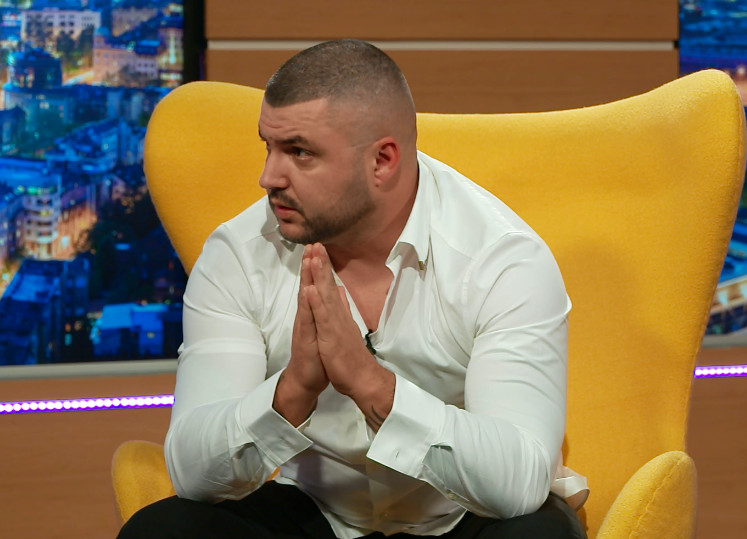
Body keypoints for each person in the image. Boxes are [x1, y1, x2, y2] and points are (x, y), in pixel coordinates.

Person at [119, 39, 588, 538]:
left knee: (540, 535)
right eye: (268, 147)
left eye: (299, 152)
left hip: (458, 515)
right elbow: (192, 471)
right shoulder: (238, 253)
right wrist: (293, 390)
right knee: (162, 531)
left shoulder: (501, 258)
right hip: (313, 510)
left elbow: (520, 480)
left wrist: (370, 384)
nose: (268, 177)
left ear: (382, 161)